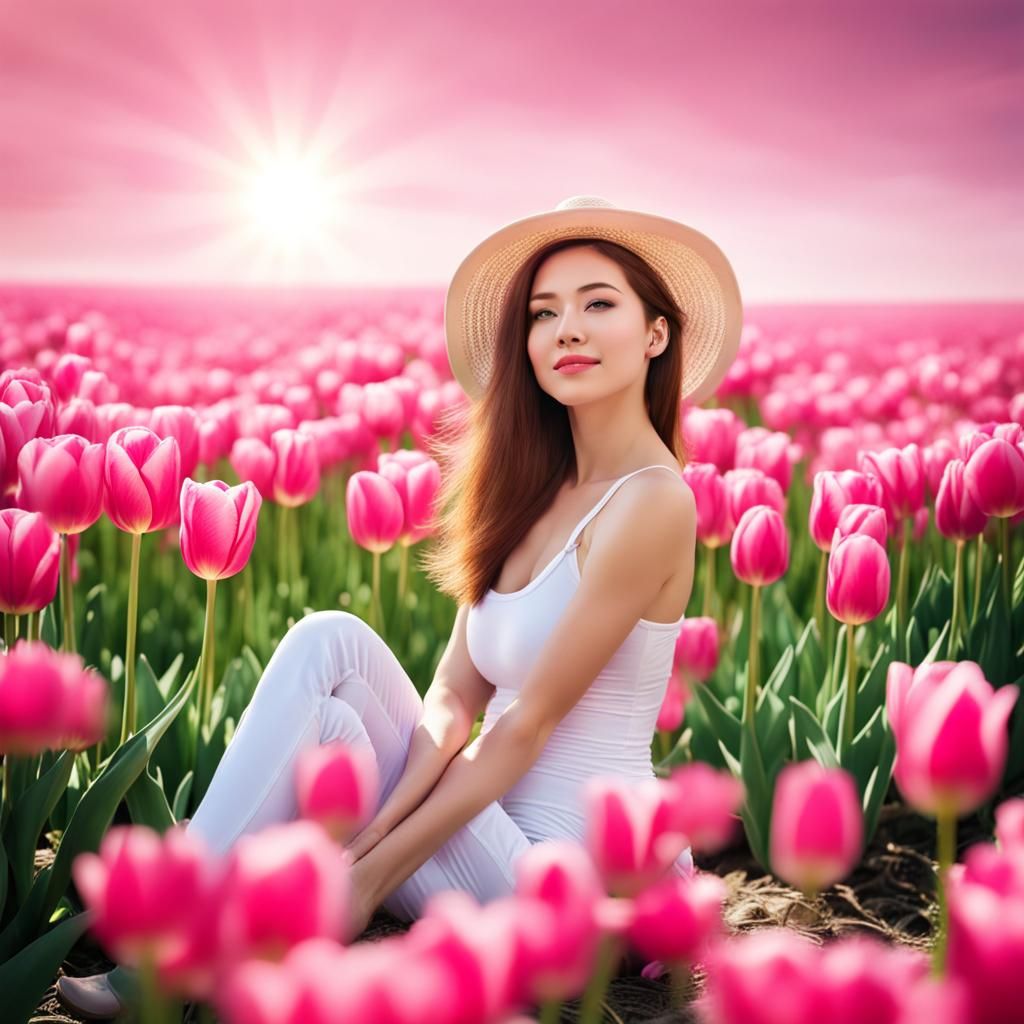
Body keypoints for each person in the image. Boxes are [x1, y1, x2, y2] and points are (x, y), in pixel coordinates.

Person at [57, 195, 742, 1017]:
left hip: (564, 876)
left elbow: (525, 727)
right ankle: (175, 928)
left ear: (656, 333)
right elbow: (454, 696)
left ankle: (167, 951)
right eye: (543, 312)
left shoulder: (652, 501)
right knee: (330, 645)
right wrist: (379, 823)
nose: (567, 330)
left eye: (598, 305)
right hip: (478, 822)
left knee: (349, 736)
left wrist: (371, 872)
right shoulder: (532, 490)